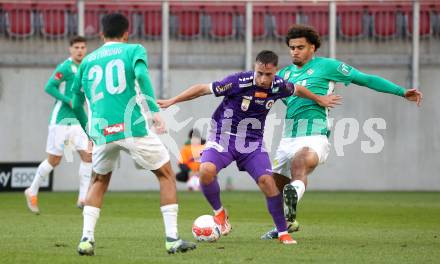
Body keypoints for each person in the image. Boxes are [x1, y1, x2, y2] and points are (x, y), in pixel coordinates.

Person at [157, 50, 341, 245]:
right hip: (223, 137)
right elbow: (203, 89)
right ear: (255, 68)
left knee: (267, 182)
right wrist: (172, 101)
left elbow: (297, 89)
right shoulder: (239, 81)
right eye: (259, 73)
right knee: (205, 171)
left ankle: (282, 232)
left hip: (252, 143)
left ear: (275, 72)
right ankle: (219, 214)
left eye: (268, 74)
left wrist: (319, 99)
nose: (262, 78)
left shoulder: (279, 86)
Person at [261, 24, 423, 240]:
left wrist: (401, 91)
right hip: (287, 136)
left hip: (314, 133)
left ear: (313, 47)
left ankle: (293, 196)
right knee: (272, 187)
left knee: (300, 164)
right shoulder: (284, 74)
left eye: (300, 47)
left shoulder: (328, 66)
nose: (294, 52)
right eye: (291, 48)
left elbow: (365, 79)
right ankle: (284, 225)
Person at [70, 13, 196, 255]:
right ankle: (172, 239)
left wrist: (89, 130)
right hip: (133, 126)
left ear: (101, 34)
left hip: (102, 131)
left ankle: (86, 240)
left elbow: (75, 103)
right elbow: (140, 75)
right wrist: (155, 111)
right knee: (166, 175)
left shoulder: (87, 61)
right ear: (127, 33)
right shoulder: (133, 50)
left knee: (98, 180)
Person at [24, 36, 92, 214]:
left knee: (87, 156)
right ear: (70, 49)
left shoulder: (86, 67)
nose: (80, 50)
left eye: (83, 47)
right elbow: (49, 86)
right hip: (61, 120)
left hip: (78, 119)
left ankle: (83, 198)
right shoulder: (65, 67)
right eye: (76, 47)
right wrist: (67, 100)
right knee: (54, 160)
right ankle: (32, 190)